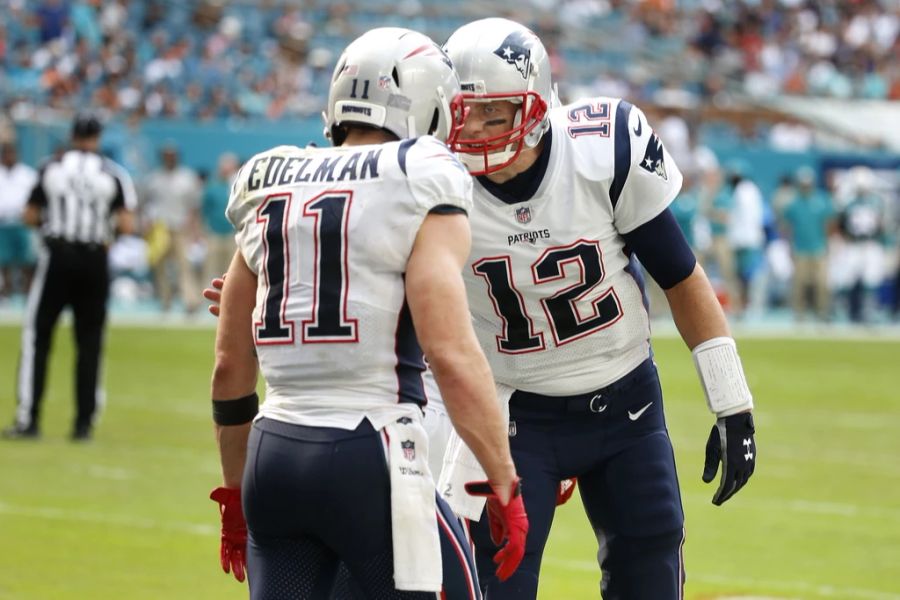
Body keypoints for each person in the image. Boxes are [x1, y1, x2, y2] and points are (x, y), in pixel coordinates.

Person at [438, 18, 758, 599]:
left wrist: (732, 402)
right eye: (465, 112)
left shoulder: (602, 148)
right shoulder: (433, 178)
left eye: (494, 113)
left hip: (625, 405)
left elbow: (681, 277)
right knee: (490, 583)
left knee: (650, 571)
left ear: (534, 108)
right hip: (512, 413)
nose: (474, 129)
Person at [207, 28, 527, 598]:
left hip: (272, 454)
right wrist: (502, 478)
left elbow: (231, 365)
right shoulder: (420, 174)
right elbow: (448, 351)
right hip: (371, 451)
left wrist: (235, 494)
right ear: (429, 105)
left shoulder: (271, 180)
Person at [2, 111, 136, 440]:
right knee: (90, 342)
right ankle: (83, 424)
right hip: (94, 260)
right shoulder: (113, 173)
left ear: (72, 135)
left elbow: (31, 214)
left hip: (58, 258)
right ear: (98, 138)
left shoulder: (51, 167)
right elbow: (126, 225)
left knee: (38, 337)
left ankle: (29, 418)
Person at [782, 167, 835, 321]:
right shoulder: (794, 203)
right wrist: (790, 246)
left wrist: (827, 243)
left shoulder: (821, 200)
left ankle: (822, 312)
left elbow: (829, 223)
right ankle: (799, 313)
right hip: (800, 248)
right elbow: (788, 227)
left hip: (818, 247)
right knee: (799, 283)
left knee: (822, 283)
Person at [0, 141, 38, 298]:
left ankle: (28, 295)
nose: (9, 157)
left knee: (27, 261)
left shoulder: (27, 175)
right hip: (3, 223)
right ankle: (7, 296)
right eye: (6, 154)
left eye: (12, 153)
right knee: (4, 261)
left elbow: (34, 199)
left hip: (22, 223)